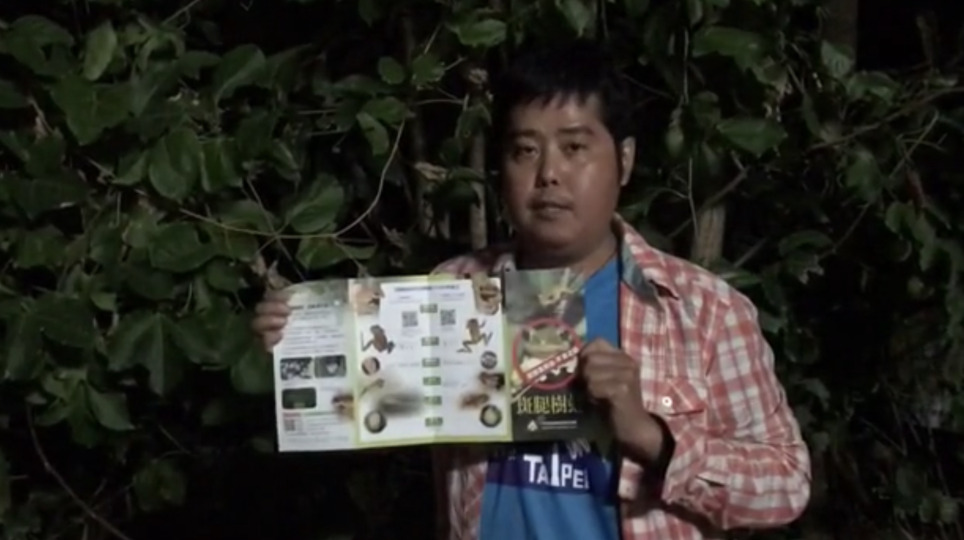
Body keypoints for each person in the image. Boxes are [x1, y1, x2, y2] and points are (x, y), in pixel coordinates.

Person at [251, 39, 811, 540]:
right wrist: (300, 343)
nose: (548, 174)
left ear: (624, 160)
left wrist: (651, 437)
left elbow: (787, 485)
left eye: (574, 148)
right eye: (525, 150)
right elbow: (364, 401)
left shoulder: (704, 311)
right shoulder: (453, 289)